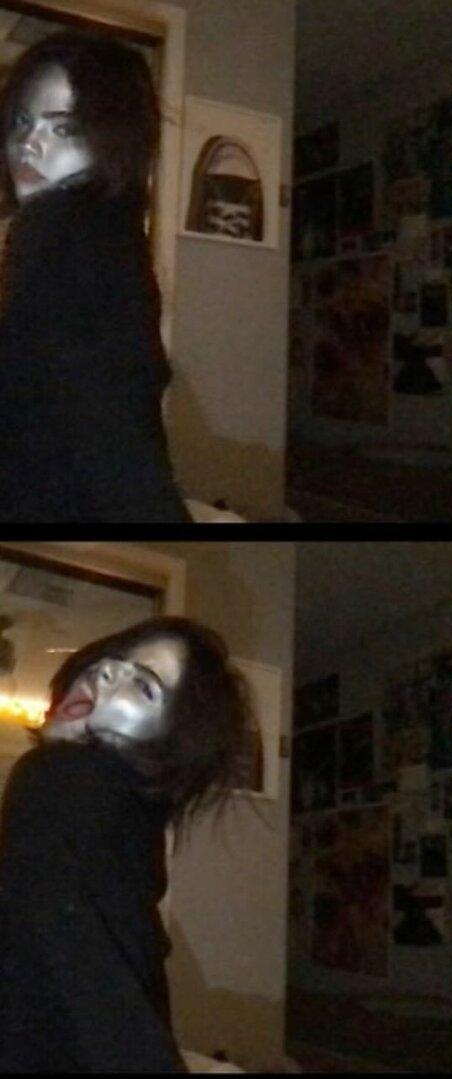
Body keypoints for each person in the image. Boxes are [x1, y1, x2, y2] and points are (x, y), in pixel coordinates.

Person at [0, 616, 249, 1071]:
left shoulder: (55, 776)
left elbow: (87, 984)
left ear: (172, 744)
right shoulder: (134, 829)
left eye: (144, 686)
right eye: (112, 662)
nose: (106, 672)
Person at [0, 31, 191, 521]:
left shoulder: (65, 236)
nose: (29, 145)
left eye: (64, 128)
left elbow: (112, 431)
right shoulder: (103, 235)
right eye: (21, 122)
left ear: (113, 139)